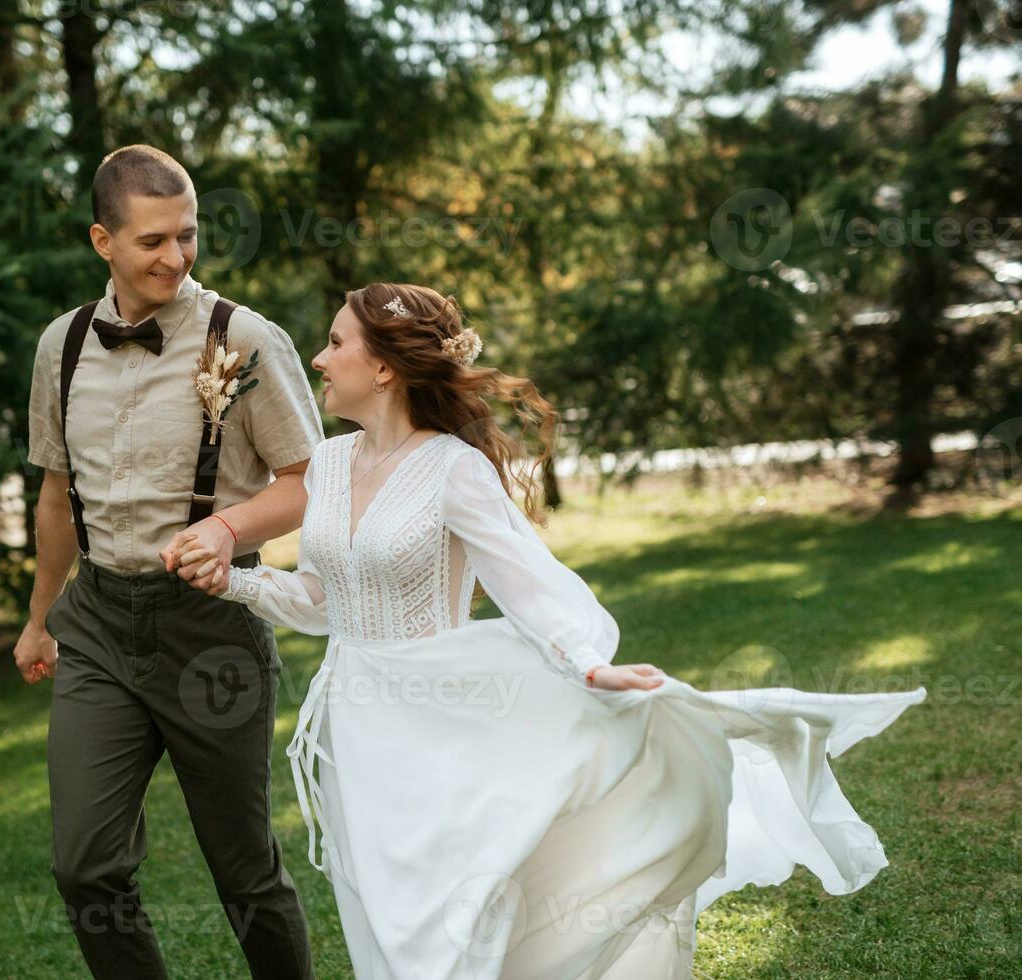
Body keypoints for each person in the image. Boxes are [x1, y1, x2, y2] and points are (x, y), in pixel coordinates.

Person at [168, 281, 927, 979]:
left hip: (447, 715)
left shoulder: (452, 471)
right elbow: (327, 602)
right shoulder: (327, 467)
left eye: (336, 343)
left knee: (455, 921)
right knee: (383, 921)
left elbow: (534, 587)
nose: (319, 357)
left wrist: (588, 666)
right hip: (357, 732)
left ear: (387, 368)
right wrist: (237, 579)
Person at [16, 144, 323, 979]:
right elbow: (54, 497)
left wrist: (228, 530)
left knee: (245, 873)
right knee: (85, 866)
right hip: (99, 629)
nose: (176, 257)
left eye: (186, 236)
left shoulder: (242, 336)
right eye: (152, 240)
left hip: (209, 632)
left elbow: (310, 482)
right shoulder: (64, 344)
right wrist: (40, 617)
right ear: (101, 241)